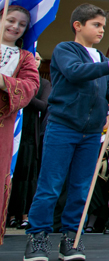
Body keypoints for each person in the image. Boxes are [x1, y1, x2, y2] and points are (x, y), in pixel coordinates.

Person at [24, 4, 109, 261]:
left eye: (103, 27)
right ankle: (37, 237)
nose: (101, 30)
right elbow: (75, 73)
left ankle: (71, 238)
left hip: (91, 133)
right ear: (78, 25)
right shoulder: (66, 50)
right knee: (50, 185)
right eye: (96, 25)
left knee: (80, 189)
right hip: (63, 127)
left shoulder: (102, 59)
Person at [0, 7, 41, 245]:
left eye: (22, 24)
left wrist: (4, 82)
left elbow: (30, 86)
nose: (15, 27)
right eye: (11, 20)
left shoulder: (24, 57)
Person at [8, 51, 51, 231]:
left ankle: (25, 214)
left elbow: (43, 105)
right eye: (33, 57)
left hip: (29, 135)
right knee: (11, 175)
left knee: (27, 176)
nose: (35, 60)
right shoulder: (13, 79)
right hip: (10, 132)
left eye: (39, 59)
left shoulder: (44, 83)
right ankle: (9, 214)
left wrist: (25, 93)